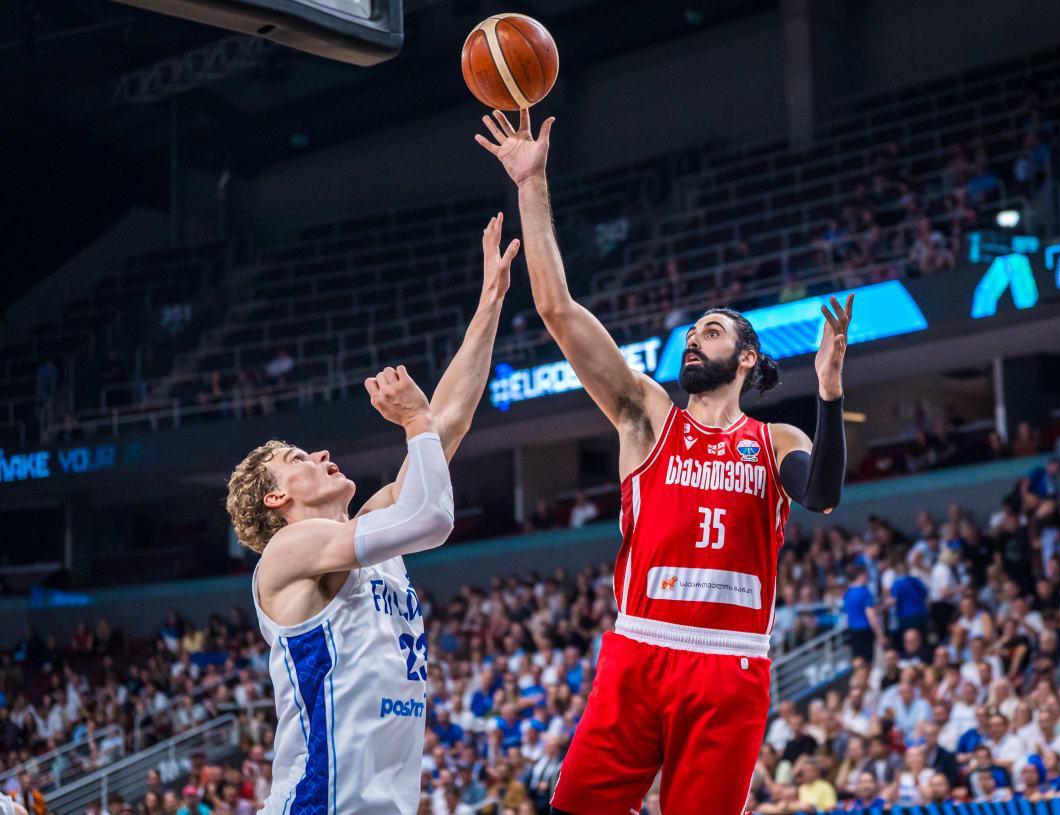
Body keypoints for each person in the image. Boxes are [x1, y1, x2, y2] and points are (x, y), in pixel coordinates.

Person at [476, 109, 849, 815]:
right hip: (640, 648)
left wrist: (829, 393)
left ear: (746, 358)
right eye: (691, 331)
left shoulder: (777, 441)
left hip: (732, 661)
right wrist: (532, 185)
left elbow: (824, 494)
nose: (692, 338)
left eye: (711, 331)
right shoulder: (647, 415)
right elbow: (558, 311)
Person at [224, 215, 519, 815]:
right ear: (276, 500)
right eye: (298, 459)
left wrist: (489, 302)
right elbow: (432, 518)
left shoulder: (369, 532)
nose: (320, 455)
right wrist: (413, 421)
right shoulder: (287, 551)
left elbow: (448, 423)